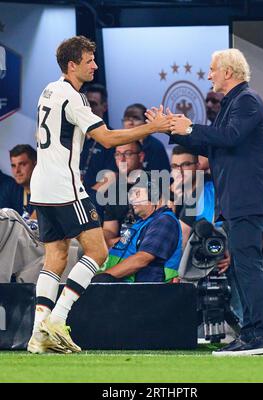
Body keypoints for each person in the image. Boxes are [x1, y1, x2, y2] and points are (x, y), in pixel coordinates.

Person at [27, 35, 171, 354]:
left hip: (41, 186)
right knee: (97, 252)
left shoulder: (48, 90)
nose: (95, 65)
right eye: (89, 60)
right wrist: (152, 128)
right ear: (72, 64)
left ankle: (38, 334)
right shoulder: (74, 98)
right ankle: (57, 320)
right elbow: (106, 139)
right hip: (65, 185)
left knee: (56, 257)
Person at [147, 48, 263, 356]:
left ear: (228, 72)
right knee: (244, 268)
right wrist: (173, 128)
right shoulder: (232, 103)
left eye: (212, 70)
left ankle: (262, 334)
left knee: (249, 267)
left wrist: (190, 128)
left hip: (248, 200)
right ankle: (252, 333)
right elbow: (212, 141)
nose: (208, 75)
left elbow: (229, 136)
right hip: (238, 200)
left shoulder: (246, 101)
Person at [94, 172, 182, 283]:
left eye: (138, 193)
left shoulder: (164, 221)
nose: (131, 199)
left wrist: (103, 277)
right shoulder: (141, 223)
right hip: (120, 288)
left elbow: (142, 259)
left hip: (144, 293)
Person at [80, 83, 116, 218]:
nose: (89, 108)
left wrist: (87, 198)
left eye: (93, 104)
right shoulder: (74, 137)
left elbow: (111, 177)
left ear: (104, 107)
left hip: (97, 204)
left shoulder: (113, 138)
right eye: (86, 104)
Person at [102, 141, 145, 247]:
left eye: (128, 153)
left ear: (141, 156)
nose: (122, 160)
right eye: (118, 154)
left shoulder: (154, 184)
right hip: (119, 248)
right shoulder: (113, 190)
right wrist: (101, 238)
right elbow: (109, 230)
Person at [115, 103, 171, 172]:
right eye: (126, 119)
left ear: (146, 122)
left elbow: (163, 178)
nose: (130, 123)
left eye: (135, 118)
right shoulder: (118, 145)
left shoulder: (156, 147)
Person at [0, 145, 37, 217]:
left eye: (22, 164)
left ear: (35, 165)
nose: (17, 171)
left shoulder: (47, 190)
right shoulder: (9, 188)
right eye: (13, 166)